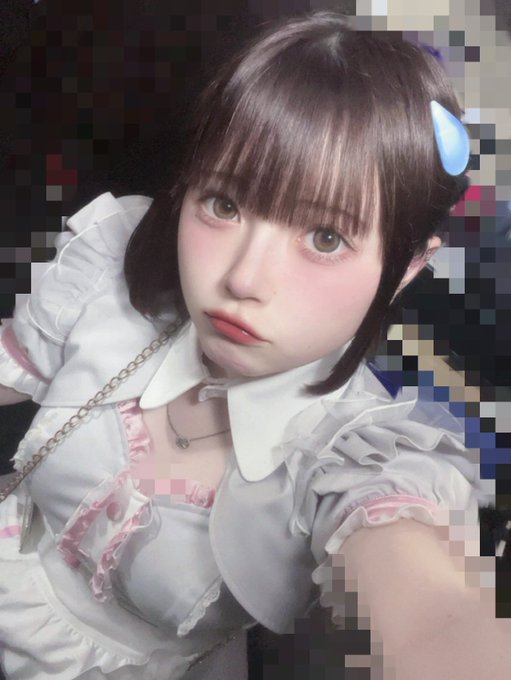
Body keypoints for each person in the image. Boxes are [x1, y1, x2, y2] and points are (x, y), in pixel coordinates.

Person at [0, 10, 507, 679]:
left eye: (325, 237)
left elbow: (428, 607)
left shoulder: (357, 457)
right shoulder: (109, 266)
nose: (243, 278)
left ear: (408, 266)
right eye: (224, 204)